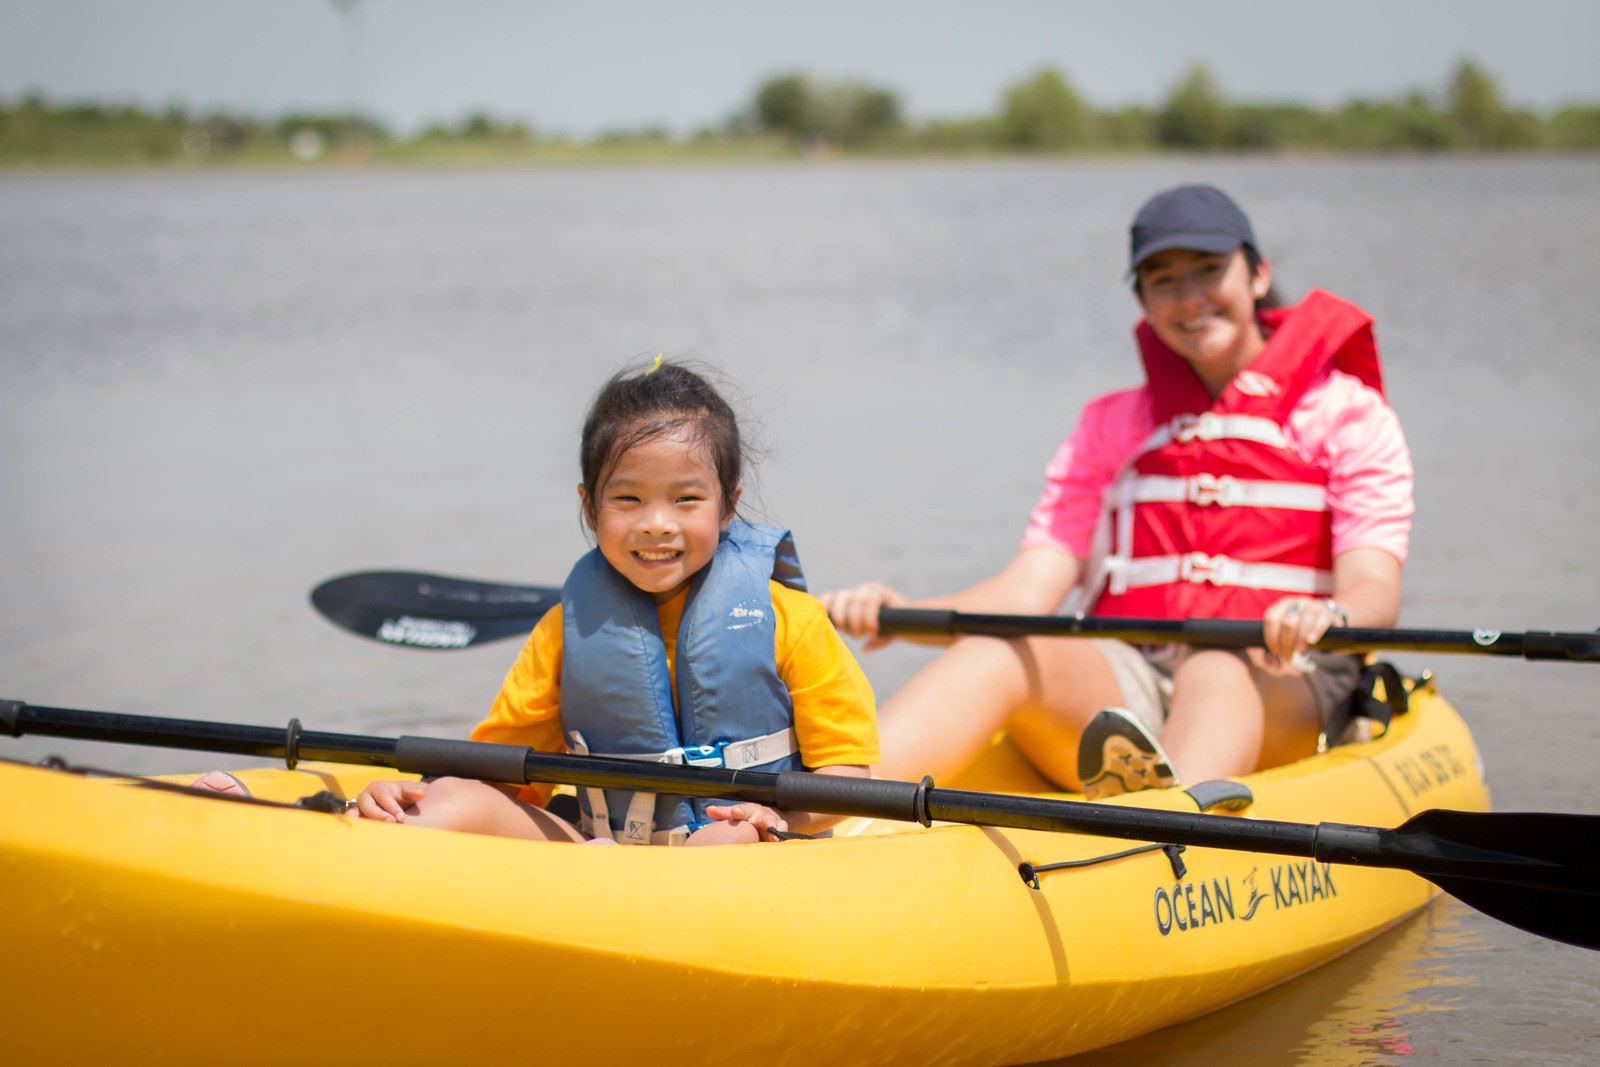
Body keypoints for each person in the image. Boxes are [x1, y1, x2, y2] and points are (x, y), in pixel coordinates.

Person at [821, 184, 1411, 799]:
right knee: (1002, 650)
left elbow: (1375, 590)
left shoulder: (1347, 415)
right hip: (1133, 676)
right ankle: (824, 809)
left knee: (1217, 660)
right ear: (1143, 302)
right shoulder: (1112, 424)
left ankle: (1164, 838)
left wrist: (1330, 615)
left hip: (1283, 677)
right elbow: (1026, 591)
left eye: (1209, 271)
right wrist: (901, 610)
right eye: (1164, 281)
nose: (1189, 298)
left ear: (1258, 274)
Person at [197, 359, 879, 844]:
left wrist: (781, 820)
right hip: (597, 844)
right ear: (589, 506)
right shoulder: (566, 629)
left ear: (729, 505)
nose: (656, 523)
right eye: (628, 498)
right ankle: (323, 826)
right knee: (457, 794)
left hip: (737, 841)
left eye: (686, 499)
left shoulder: (789, 620)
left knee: (726, 845)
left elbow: (847, 772)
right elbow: (501, 773)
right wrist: (417, 791)